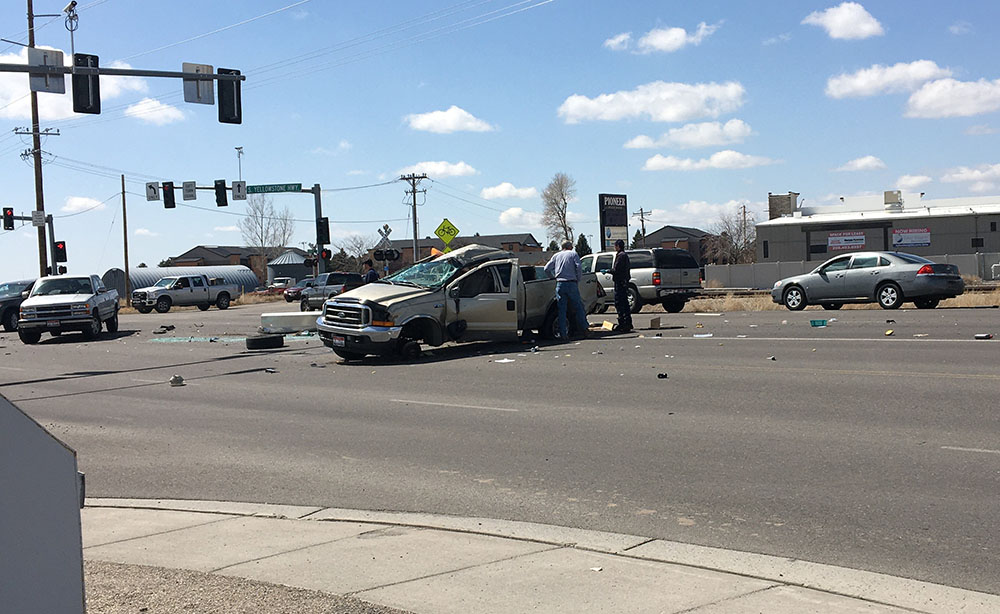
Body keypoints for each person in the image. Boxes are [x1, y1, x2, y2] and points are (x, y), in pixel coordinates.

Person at [544, 240, 590, 341]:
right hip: (571, 283)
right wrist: (578, 279)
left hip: (560, 283)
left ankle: (563, 333)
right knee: (578, 307)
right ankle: (585, 329)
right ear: (569, 247)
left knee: (561, 309)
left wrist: (552, 277)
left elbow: (546, 268)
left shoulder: (556, 256)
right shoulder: (573, 254)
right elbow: (578, 267)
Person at [611, 239, 632, 333]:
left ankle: (623, 323)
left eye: (615, 246)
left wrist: (609, 271)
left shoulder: (621, 256)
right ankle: (627, 322)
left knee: (619, 303)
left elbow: (617, 269)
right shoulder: (624, 255)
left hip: (620, 282)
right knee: (624, 303)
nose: (614, 247)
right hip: (624, 281)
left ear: (618, 246)